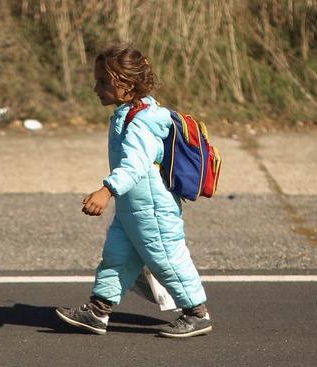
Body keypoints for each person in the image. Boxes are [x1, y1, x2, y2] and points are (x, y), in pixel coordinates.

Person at [56, 45, 212, 339]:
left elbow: (135, 166)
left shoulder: (141, 121)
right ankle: (98, 311)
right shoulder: (129, 114)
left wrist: (106, 190)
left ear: (127, 86)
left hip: (152, 208)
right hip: (133, 209)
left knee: (166, 257)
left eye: (103, 82)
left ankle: (197, 313)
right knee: (117, 257)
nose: (96, 88)